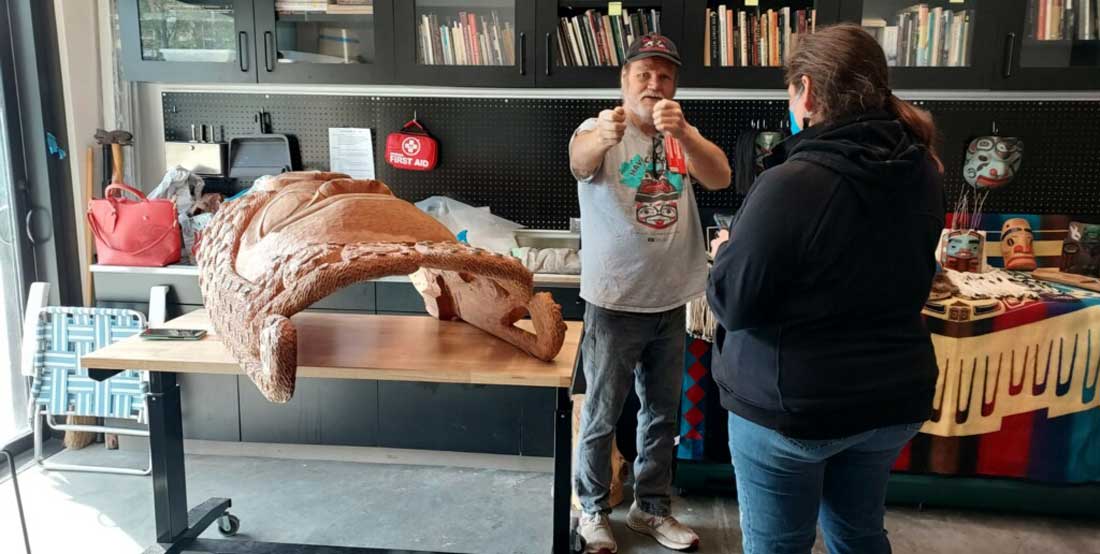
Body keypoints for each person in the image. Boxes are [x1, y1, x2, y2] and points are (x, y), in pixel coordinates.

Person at [707, 24, 946, 554]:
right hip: (891, 398)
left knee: (777, 544)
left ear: (807, 91)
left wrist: (726, 253)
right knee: (859, 535)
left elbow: (734, 303)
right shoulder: (921, 167)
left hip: (797, 403)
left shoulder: (794, 181)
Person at [569, 33, 731, 553]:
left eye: (664, 76)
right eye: (644, 74)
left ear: (675, 85)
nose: (654, 84)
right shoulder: (601, 127)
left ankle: (651, 509)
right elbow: (579, 160)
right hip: (614, 301)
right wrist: (604, 136)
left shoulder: (681, 132)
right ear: (624, 81)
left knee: (663, 414)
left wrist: (685, 133)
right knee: (602, 414)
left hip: (671, 299)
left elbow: (721, 176)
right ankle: (591, 511)